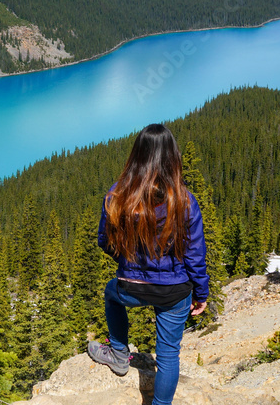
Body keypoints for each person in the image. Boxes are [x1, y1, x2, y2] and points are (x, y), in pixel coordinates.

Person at [87, 123, 209, 405]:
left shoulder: (118, 195)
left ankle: (118, 354)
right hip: (175, 292)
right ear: (172, 157)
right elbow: (195, 256)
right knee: (168, 355)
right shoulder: (184, 200)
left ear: (137, 155)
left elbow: (104, 241)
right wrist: (201, 295)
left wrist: (129, 262)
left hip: (132, 286)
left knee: (111, 294)